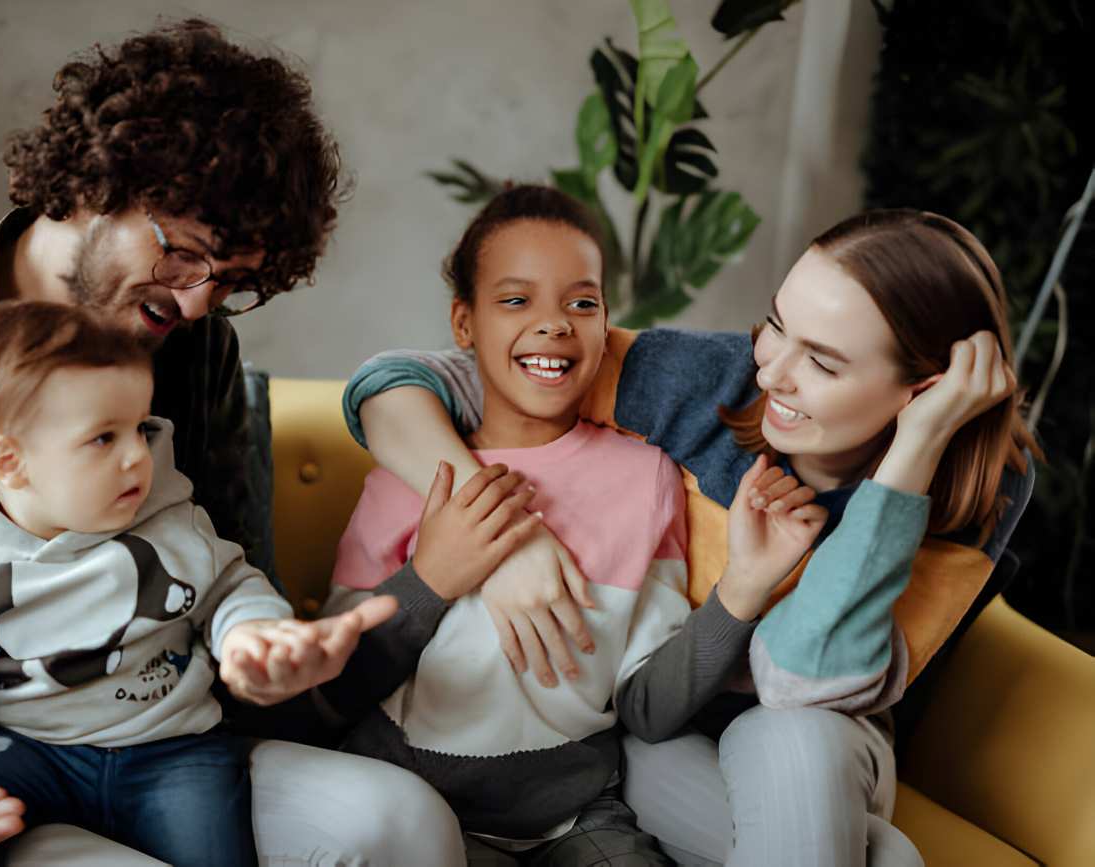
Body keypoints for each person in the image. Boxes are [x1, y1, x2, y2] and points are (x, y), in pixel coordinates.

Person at [0, 18, 468, 864]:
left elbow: (224, 574)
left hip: (156, 741)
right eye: (187, 256)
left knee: (401, 821)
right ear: (91, 184)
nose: (194, 305)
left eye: (230, 283)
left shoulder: (198, 350)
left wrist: (256, 657)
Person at [342, 208, 1039, 866]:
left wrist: (907, 463)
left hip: (833, 735)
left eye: (823, 363)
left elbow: (804, 682)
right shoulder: (702, 379)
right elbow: (399, 380)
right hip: (666, 732)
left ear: (922, 391)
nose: (772, 371)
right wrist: (507, 539)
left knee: (791, 734)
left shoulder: (980, 485)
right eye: (775, 325)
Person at [324, 185, 827, 866]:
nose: (555, 322)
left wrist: (745, 585)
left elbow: (646, 705)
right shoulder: (413, 471)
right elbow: (338, 687)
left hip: (575, 819)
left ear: (606, 325)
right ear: (463, 323)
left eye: (581, 302)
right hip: (417, 811)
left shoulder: (645, 477)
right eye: (515, 299)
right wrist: (432, 581)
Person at [0, 302, 399, 865]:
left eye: (140, 429)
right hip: (18, 747)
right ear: (10, 462)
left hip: (169, 751)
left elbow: (229, 588)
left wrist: (252, 634)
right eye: (104, 438)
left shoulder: (173, 523)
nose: (136, 459)